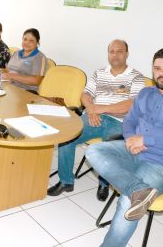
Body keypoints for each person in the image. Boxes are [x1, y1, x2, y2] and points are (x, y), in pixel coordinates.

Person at [86, 48, 163, 246]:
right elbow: (130, 120)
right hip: (134, 152)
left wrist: (145, 140)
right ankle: (138, 190)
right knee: (93, 150)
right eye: (157, 68)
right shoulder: (145, 93)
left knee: (127, 201)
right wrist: (132, 140)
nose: (161, 73)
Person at [47, 39, 145, 202]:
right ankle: (66, 181)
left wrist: (99, 109)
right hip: (94, 116)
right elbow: (85, 95)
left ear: (127, 54)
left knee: (108, 148)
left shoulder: (136, 77)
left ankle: (104, 183)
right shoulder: (99, 73)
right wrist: (91, 110)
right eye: (112, 51)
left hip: (121, 123)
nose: (115, 55)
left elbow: (130, 105)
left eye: (119, 51)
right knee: (67, 137)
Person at [2, 28, 48, 92]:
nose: (27, 42)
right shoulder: (16, 53)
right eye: (25, 39)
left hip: (26, 91)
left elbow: (36, 81)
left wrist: (12, 76)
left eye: (31, 40)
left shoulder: (39, 57)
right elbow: (8, 70)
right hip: (9, 87)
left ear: (37, 42)